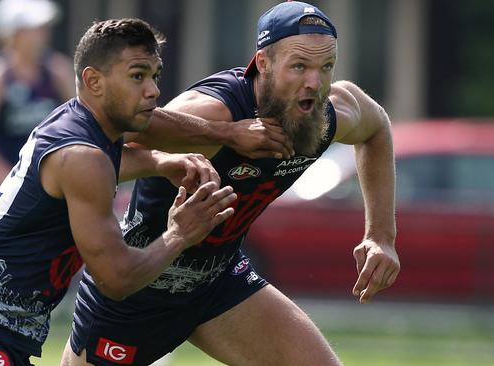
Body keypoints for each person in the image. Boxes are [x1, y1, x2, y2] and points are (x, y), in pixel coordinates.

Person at [64, 2, 400, 365]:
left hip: (219, 284)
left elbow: (377, 127)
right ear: (264, 63)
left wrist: (381, 235)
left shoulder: (328, 117)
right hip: (138, 288)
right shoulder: (213, 112)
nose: (315, 84)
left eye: (326, 67)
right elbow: (96, 127)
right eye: (299, 66)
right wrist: (222, 135)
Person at [0, 18, 241, 366]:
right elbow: (117, 278)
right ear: (93, 81)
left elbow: (111, 162)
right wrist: (180, 234)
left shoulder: (81, 131)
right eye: (137, 76)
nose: (153, 90)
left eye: (155, 76)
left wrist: (162, 162)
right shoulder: (82, 155)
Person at [0, 0, 76, 226]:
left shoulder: (57, 72)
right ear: (13, 33)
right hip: (3, 191)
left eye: (44, 27)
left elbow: (83, 124)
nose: (44, 34)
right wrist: (12, 185)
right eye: (35, 28)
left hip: (54, 191)